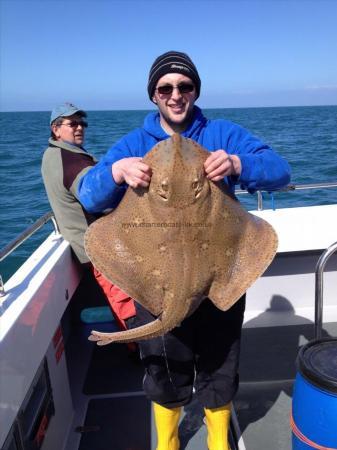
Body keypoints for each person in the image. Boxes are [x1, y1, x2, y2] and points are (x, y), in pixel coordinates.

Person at [77, 52, 291, 450]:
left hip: (217, 277)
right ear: (153, 95)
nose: (176, 95)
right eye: (166, 88)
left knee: (220, 362)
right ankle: (168, 442)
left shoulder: (222, 134)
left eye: (185, 86)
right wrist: (115, 172)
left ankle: (217, 440)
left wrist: (239, 164)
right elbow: (88, 196)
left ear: (195, 91)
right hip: (154, 283)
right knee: (164, 368)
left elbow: (280, 171)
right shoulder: (135, 143)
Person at [41, 102, 136, 333]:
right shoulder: (72, 161)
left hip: (89, 241)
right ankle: (143, 350)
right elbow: (96, 199)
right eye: (72, 123)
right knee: (127, 302)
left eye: (82, 123)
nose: (80, 128)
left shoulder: (53, 154)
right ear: (56, 129)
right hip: (99, 246)